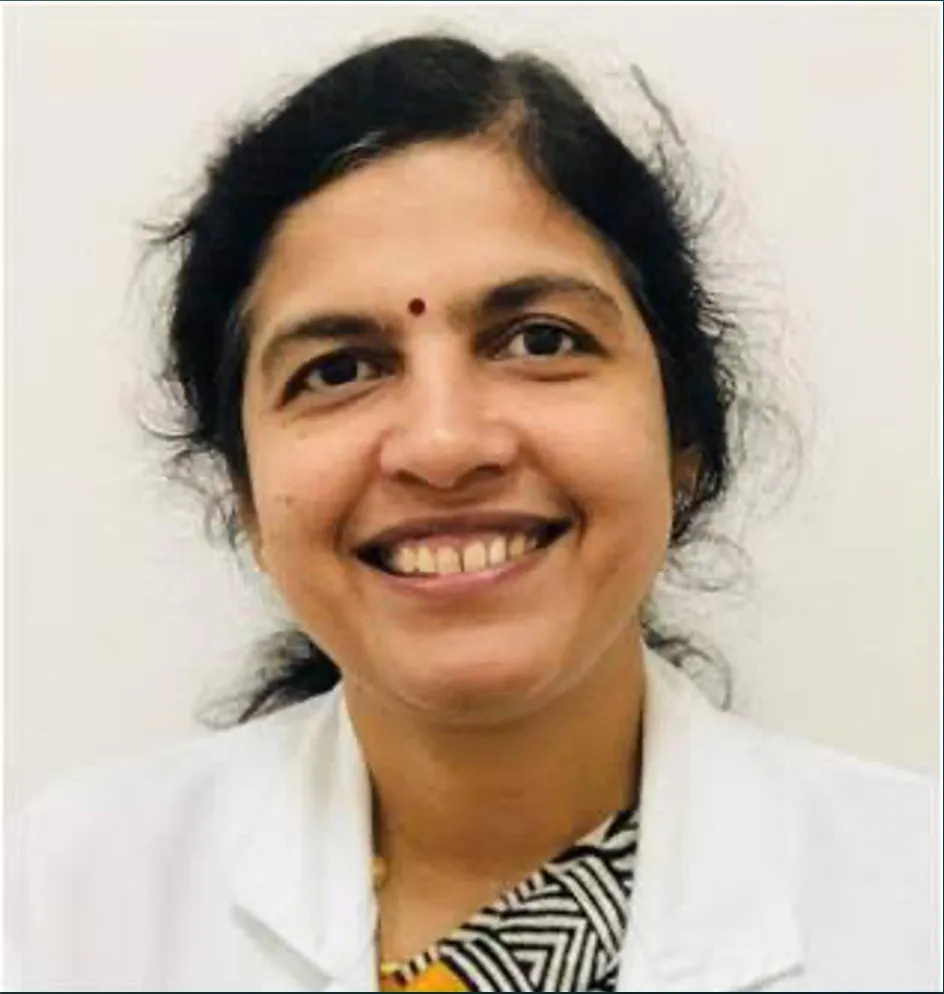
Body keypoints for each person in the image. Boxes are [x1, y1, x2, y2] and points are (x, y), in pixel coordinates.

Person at [5, 33, 936, 993]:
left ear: (684, 435)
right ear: (244, 492)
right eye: (339, 369)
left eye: (540, 341)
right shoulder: (71, 899)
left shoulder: (913, 905)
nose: (444, 445)